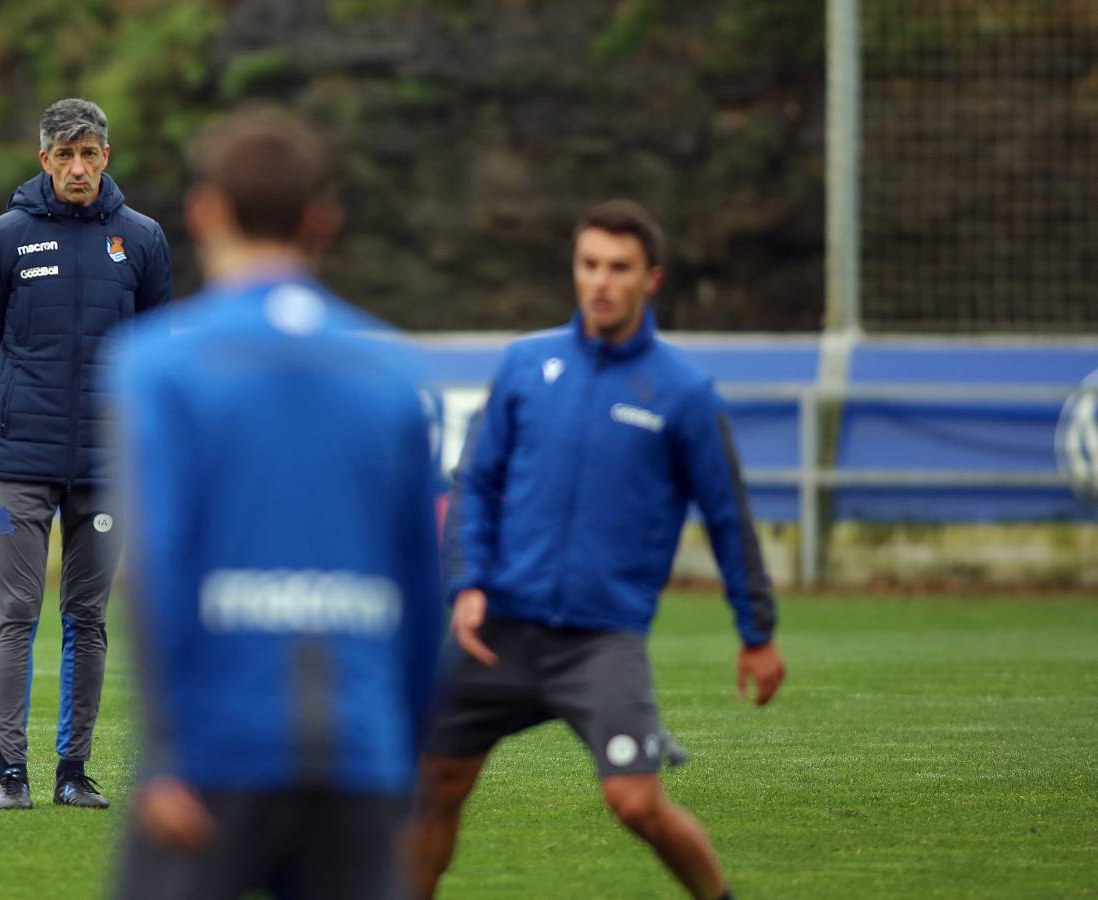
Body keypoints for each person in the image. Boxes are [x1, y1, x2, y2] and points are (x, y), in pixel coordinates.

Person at [406, 200, 787, 900]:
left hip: (599, 641)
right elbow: (475, 482)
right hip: (497, 630)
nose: (600, 282)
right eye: (588, 265)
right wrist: (469, 583)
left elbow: (727, 517)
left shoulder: (683, 393)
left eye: (618, 268)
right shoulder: (526, 365)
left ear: (651, 280)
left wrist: (755, 632)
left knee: (636, 803)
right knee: (433, 786)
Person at [109, 108, 446, 900]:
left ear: (204, 212)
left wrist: (164, 754)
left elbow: (158, 564)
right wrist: (409, 755)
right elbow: (423, 581)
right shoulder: (395, 373)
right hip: (361, 750)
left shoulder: (156, 364)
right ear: (321, 220)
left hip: (219, 747)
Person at [0, 97, 172, 809]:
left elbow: (154, 347)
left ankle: (72, 772)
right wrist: (27, 399)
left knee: (88, 617)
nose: (77, 168)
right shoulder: (3, 238)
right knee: (17, 612)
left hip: (107, 466)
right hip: (20, 461)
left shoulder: (141, 239)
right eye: (64, 155)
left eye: (88, 154)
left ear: (105, 156)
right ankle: (11, 774)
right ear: (44, 160)